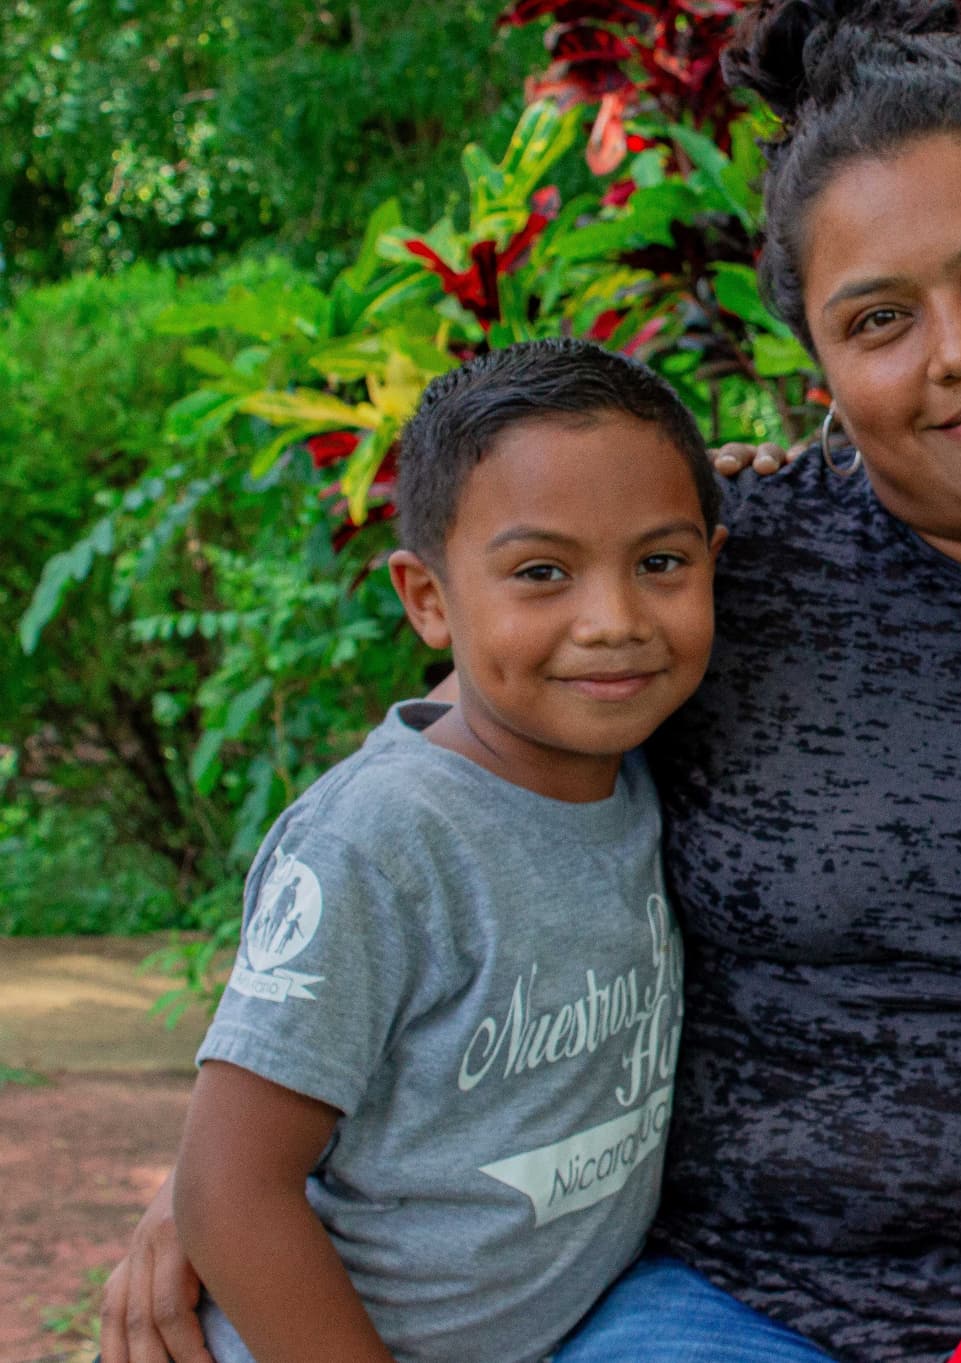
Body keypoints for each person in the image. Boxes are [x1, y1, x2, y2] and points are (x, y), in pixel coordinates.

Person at [99, 2, 961, 1360]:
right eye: (879, 317)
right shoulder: (709, 581)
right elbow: (446, 817)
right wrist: (243, 1168)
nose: (959, 349)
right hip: (729, 1303)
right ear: (819, 359)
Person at [168, 338, 724, 1363]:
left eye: (659, 563)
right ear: (427, 599)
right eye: (541, 573)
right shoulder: (377, 842)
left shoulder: (644, 770)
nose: (612, 622)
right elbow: (227, 1186)